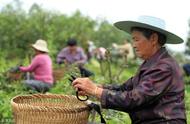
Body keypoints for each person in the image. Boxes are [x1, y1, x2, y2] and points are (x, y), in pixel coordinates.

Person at [72, 16, 186, 123]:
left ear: (153, 39)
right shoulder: (152, 64)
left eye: (136, 39)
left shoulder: (163, 67)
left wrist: (96, 91)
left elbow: (133, 100)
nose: (133, 45)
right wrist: (94, 87)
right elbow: (124, 88)